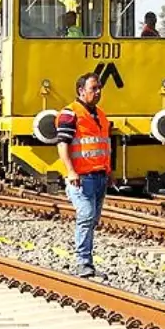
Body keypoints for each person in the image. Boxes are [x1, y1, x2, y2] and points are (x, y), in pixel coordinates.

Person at [55, 72, 111, 278]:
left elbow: (104, 146)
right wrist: (70, 171)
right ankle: (83, 263)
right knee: (86, 217)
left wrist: (108, 171)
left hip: (99, 176)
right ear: (81, 91)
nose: (97, 93)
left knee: (92, 219)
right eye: (93, 89)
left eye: (99, 89)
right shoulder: (70, 114)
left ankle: (87, 262)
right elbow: (62, 144)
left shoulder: (101, 115)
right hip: (81, 177)